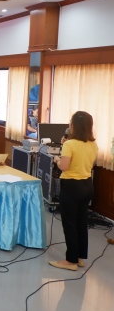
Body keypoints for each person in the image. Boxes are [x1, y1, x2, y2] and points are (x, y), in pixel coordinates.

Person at [50, 111, 98, 271]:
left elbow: (64, 166)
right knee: (81, 223)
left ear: (74, 126)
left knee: (69, 224)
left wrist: (57, 159)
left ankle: (70, 261)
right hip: (87, 185)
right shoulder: (93, 144)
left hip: (72, 187)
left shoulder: (69, 145)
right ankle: (79, 257)